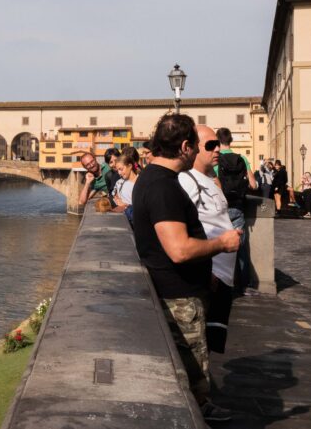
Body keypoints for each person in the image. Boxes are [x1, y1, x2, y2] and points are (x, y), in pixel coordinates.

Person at [132, 113, 240, 422]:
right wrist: (223, 244)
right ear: (184, 147)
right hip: (179, 296)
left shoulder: (152, 179)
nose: (198, 150)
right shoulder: (163, 188)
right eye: (196, 144)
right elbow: (178, 250)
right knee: (190, 373)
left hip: (182, 288)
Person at [178, 126, 243, 355]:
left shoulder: (209, 180)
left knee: (212, 345)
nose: (217, 149)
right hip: (209, 278)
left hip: (222, 279)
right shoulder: (188, 181)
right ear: (194, 148)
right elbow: (183, 227)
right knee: (200, 348)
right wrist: (205, 270)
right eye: (210, 145)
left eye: (217, 144)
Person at [213, 127, 256, 292]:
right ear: (231, 141)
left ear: (217, 141)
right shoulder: (242, 159)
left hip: (220, 208)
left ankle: (221, 283)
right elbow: (253, 185)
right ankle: (245, 284)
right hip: (237, 207)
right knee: (240, 247)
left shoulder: (216, 159)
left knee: (217, 246)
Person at [112, 148, 141, 217]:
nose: (119, 173)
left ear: (130, 166)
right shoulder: (119, 182)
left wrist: (125, 205)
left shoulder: (141, 183)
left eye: (121, 169)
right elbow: (115, 197)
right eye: (118, 170)